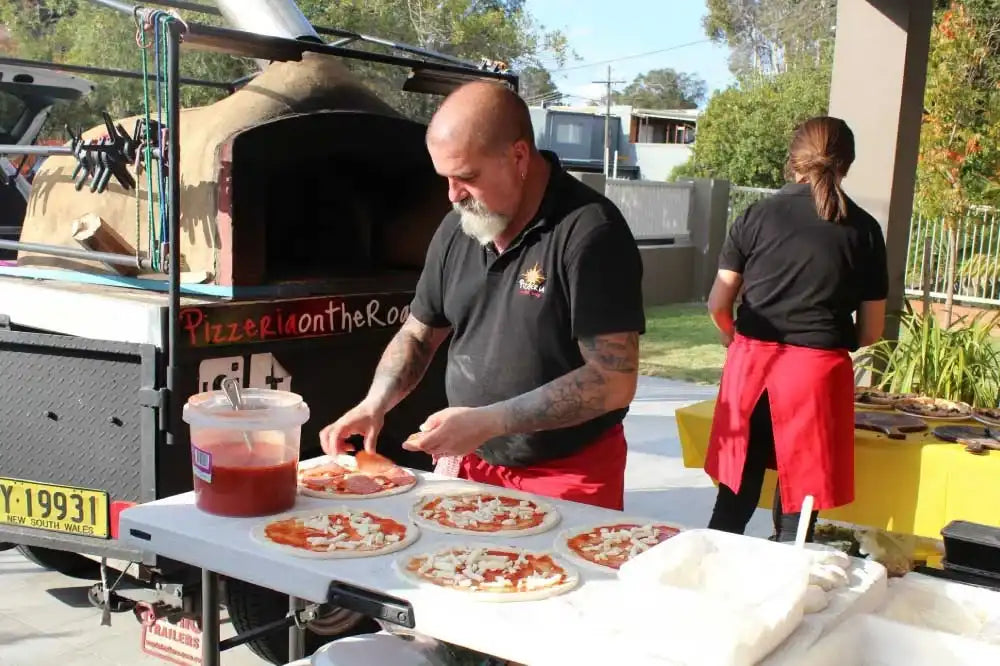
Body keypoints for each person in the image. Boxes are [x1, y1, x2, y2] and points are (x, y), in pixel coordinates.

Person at [320, 81, 645, 511]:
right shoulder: (457, 228)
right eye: (447, 178)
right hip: (472, 463)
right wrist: (375, 402)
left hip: (566, 472)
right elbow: (419, 334)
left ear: (518, 156)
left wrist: (490, 421)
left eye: (467, 177)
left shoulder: (590, 231)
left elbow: (613, 379)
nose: (453, 195)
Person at [703, 116, 888, 542]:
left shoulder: (756, 215)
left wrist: (734, 338)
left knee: (731, 504)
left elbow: (718, 302)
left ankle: (707, 590)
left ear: (793, 160)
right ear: (848, 164)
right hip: (815, 378)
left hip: (751, 371)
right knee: (798, 515)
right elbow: (871, 331)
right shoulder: (864, 230)